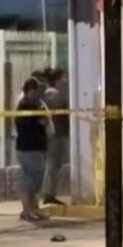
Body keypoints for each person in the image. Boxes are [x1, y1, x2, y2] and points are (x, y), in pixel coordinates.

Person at [15, 78, 49, 221]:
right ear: (30, 90)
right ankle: (26, 210)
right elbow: (30, 125)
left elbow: (44, 121)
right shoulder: (24, 106)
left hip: (36, 147)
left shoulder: (36, 104)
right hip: (28, 148)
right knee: (29, 179)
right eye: (36, 90)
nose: (38, 93)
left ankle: (34, 208)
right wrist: (40, 121)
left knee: (36, 180)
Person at [42, 68, 69, 206]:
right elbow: (61, 115)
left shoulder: (53, 95)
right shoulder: (53, 95)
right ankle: (49, 193)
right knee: (52, 164)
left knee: (54, 164)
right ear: (57, 80)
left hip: (57, 134)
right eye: (62, 78)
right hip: (55, 134)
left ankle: (50, 192)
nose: (64, 81)